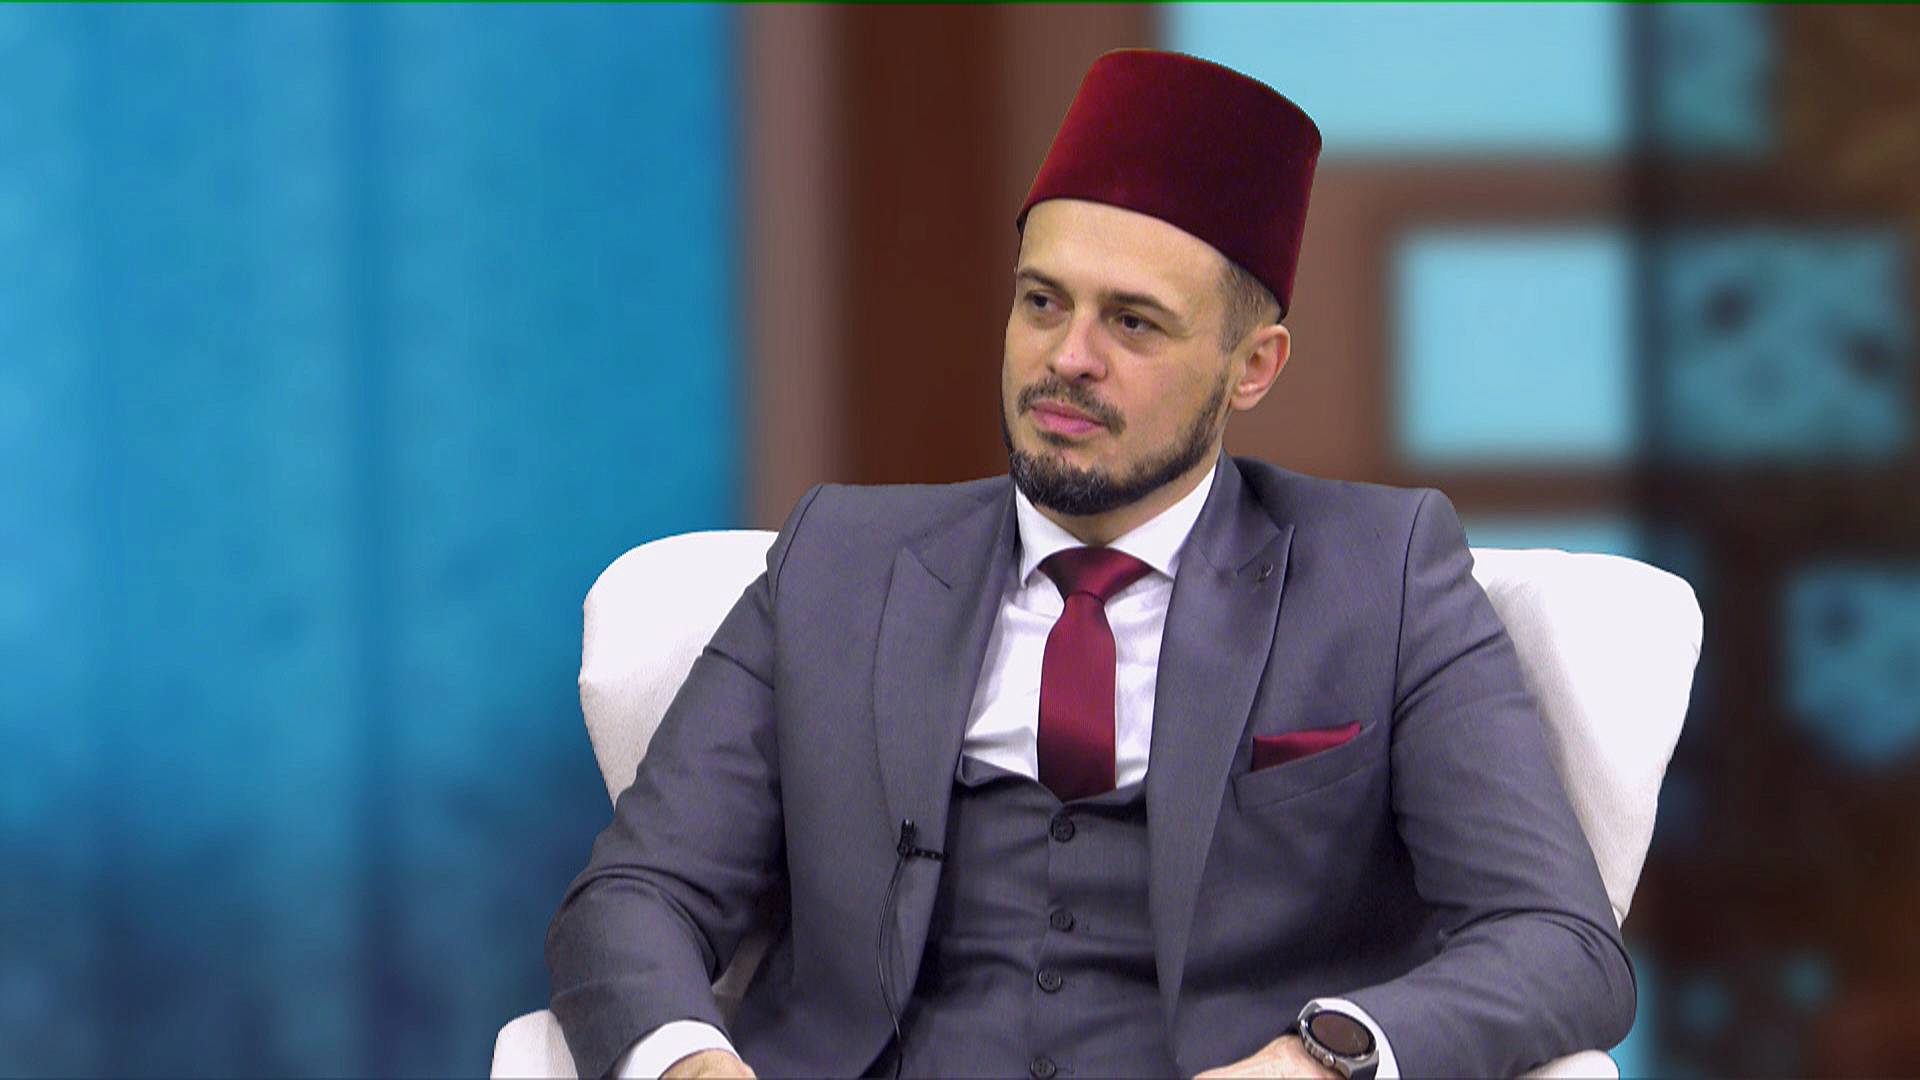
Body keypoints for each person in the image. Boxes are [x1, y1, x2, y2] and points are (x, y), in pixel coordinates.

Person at [547, 49, 1633, 1080]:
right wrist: (690, 1063)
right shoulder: (838, 561)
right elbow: (635, 896)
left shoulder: (1382, 577)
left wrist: (1320, 1058)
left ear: (1252, 368)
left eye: (1134, 323)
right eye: (1042, 301)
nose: (1068, 358)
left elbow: (1560, 940)